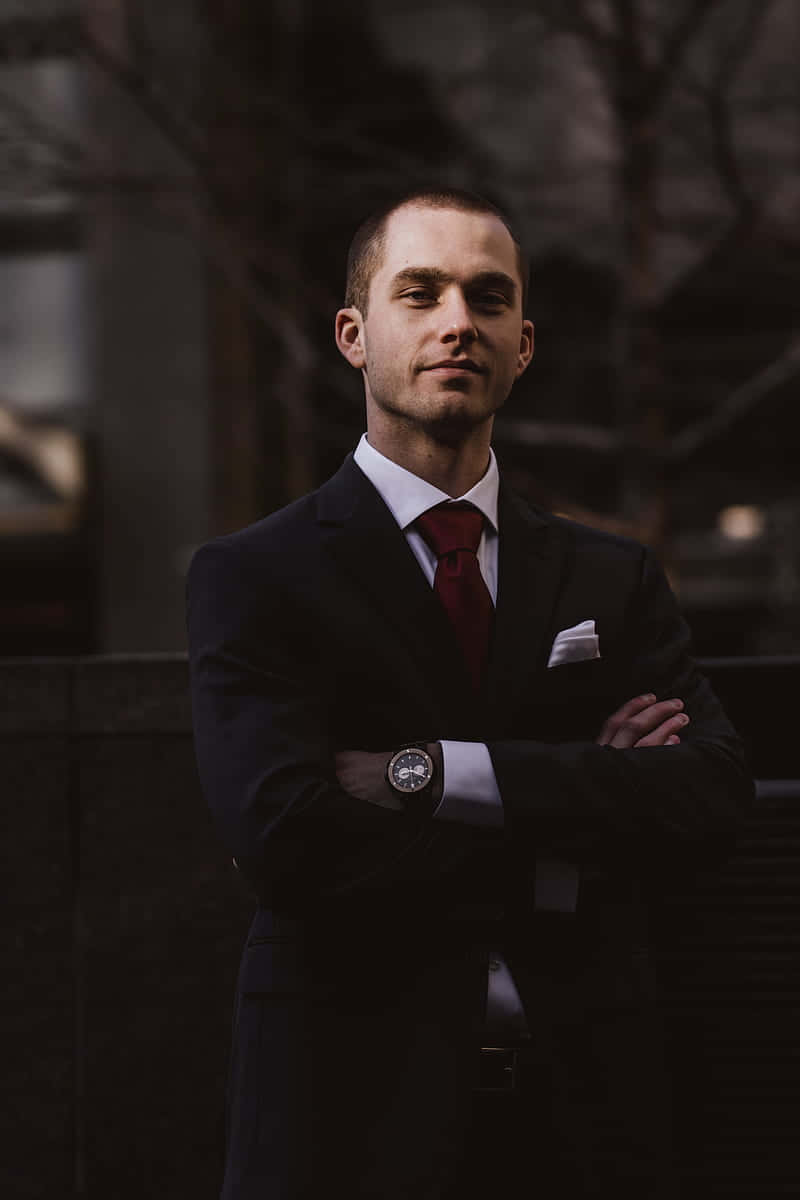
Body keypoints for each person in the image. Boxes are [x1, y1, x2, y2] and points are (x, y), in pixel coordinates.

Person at [186, 187, 752, 1199]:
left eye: (488, 299)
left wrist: (426, 774)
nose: (459, 321)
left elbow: (707, 796)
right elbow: (283, 835)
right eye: (422, 292)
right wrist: (577, 819)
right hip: (348, 1121)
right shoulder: (254, 575)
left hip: (588, 1122)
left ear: (522, 344)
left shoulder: (607, 577)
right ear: (354, 335)